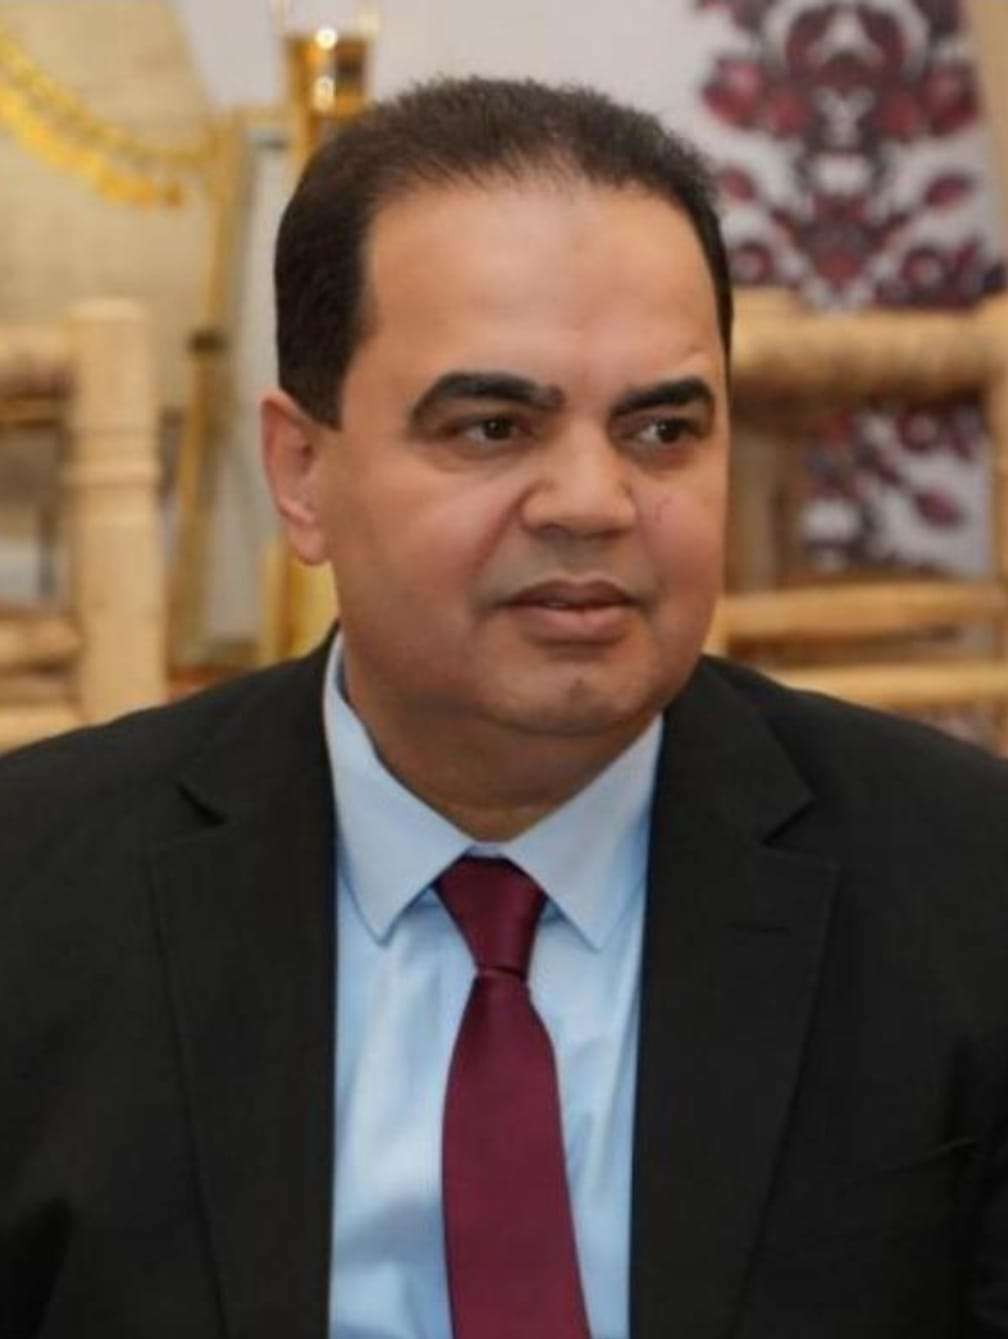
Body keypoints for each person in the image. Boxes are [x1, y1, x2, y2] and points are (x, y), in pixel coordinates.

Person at [1, 76, 1007, 1339]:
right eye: (492, 427)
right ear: (302, 474)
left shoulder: (965, 884)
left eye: (660, 429)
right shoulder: (36, 897)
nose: (591, 501)